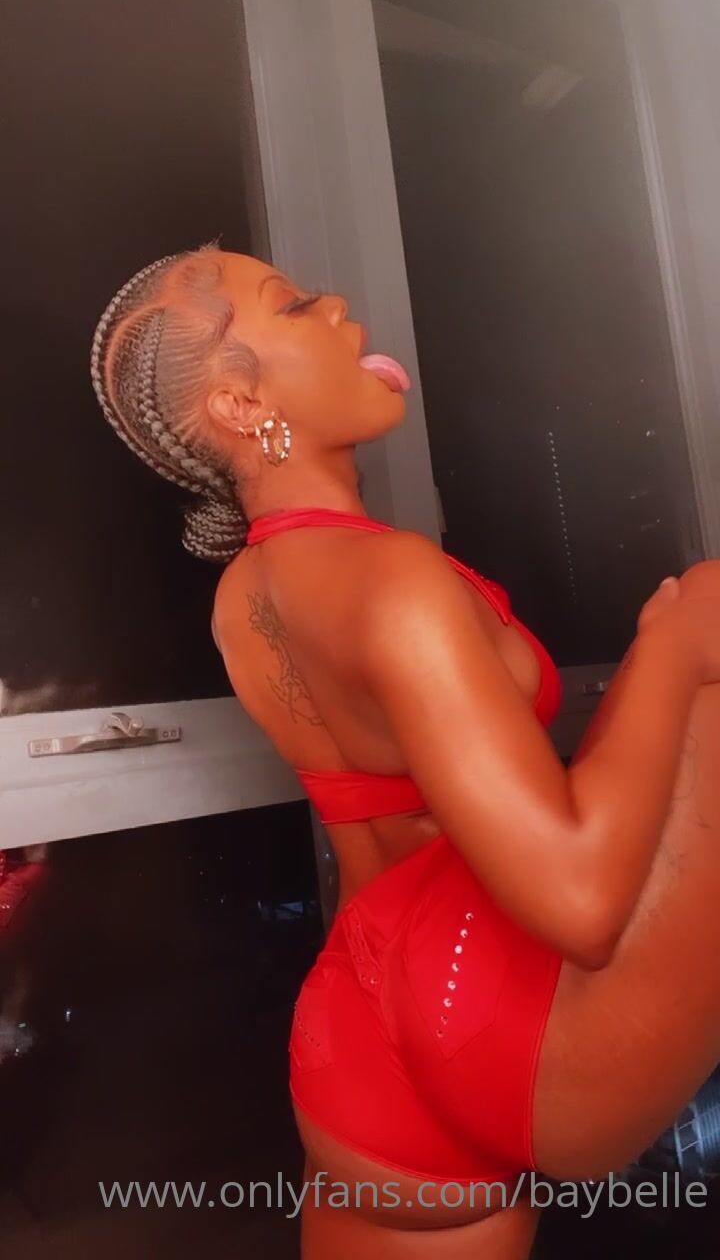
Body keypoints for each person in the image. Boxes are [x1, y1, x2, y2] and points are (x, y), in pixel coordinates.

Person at [90, 245, 720, 1259]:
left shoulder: (243, 597)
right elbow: (579, 898)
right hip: (499, 1006)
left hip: (357, 1041)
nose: (338, 303)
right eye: (295, 304)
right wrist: (673, 648)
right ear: (242, 404)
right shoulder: (391, 582)